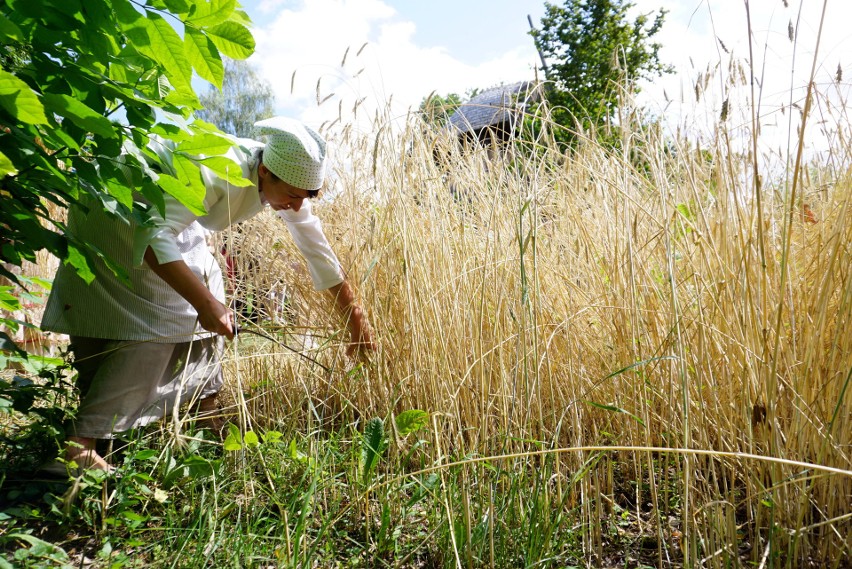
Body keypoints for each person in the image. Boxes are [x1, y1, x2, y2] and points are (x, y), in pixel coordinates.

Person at [40, 117, 374, 473]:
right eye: (292, 196)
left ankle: (204, 417)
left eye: (305, 198)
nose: (296, 206)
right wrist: (203, 304)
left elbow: (317, 249)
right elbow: (155, 239)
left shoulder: (288, 182)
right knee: (167, 319)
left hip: (155, 218)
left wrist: (354, 319)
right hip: (118, 211)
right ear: (263, 171)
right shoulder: (221, 169)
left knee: (206, 291)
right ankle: (80, 446)